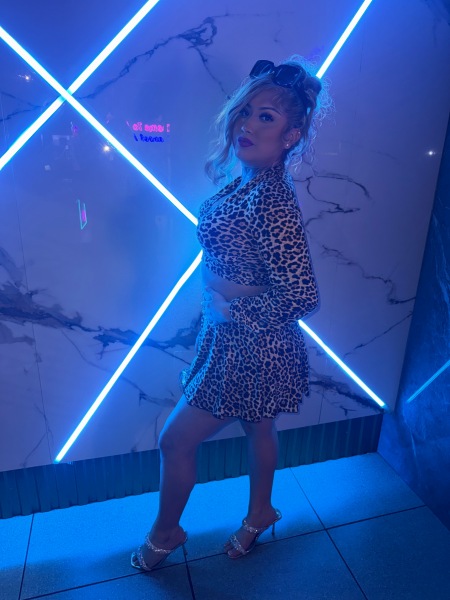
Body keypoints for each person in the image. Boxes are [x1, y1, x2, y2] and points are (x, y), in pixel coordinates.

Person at [131, 57, 326, 571]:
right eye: (245, 112)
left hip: (253, 346)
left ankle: (167, 532)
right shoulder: (247, 183)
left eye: (266, 117)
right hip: (231, 340)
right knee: (259, 428)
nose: (247, 124)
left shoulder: (272, 198)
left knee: (175, 441)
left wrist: (232, 310)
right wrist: (214, 307)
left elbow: (302, 294)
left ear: (291, 136)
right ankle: (260, 513)